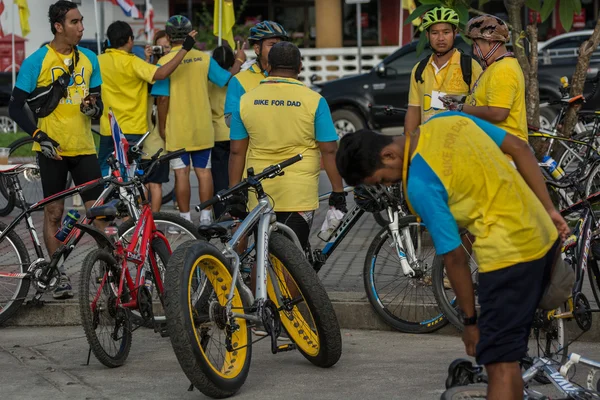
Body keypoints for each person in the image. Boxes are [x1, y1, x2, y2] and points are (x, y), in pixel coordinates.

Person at [334, 112, 570, 400]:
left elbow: (454, 257)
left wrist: (469, 322)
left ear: (388, 155)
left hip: (507, 258)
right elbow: (519, 148)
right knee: (510, 353)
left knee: (499, 366)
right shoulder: (449, 120)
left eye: (382, 180)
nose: (387, 186)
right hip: (544, 239)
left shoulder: (418, 184)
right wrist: (549, 209)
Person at [8, 0, 104, 299]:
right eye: (75, 22)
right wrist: (38, 134)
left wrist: (92, 107)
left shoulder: (89, 59)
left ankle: (107, 271)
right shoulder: (37, 60)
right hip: (52, 151)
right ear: (58, 26)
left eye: (82, 21)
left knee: (99, 213)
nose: (81, 27)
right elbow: (15, 106)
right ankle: (57, 273)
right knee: (53, 214)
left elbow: (97, 108)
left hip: (85, 148)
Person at [229, 42, 347, 251]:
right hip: (299, 194)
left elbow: (237, 151)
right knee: (293, 257)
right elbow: (329, 150)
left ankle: (259, 285)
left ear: (268, 66)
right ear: (300, 67)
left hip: (259, 192)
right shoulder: (315, 101)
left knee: (263, 252)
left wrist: (234, 191)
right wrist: (338, 191)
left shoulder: (246, 101)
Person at [151, 15, 246, 226]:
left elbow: (163, 99)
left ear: (168, 36)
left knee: (181, 174)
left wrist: (163, 128)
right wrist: (239, 60)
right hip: (203, 126)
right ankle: (205, 217)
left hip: (178, 127)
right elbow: (225, 79)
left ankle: (184, 220)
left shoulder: (165, 62)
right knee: (204, 173)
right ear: (189, 34)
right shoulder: (204, 59)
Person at [96, 21, 197, 178]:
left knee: (105, 174)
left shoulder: (98, 61)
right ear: (130, 39)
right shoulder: (133, 62)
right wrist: (185, 49)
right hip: (132, 129)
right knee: (128, 176)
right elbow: (162, 74)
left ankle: (106, 202)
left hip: (108, 128)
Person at [440, 15, 527, 143]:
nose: (475, 52)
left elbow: (498, 113)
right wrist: (459, 99)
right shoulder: (495, 66)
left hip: (503, 152)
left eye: (476, 46)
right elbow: (484, 102)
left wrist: (460, 108)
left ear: (491, 43)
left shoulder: (503, 69)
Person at [404, 7, 482, 134]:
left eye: (446, 32)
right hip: (429, 143)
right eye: (435, 33)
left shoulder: (470, 66)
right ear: (427, 35)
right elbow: (414, 110)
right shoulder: (419, 69)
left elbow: (482, 109)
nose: (441, 38)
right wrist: (408, 144)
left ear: (455, 32)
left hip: (461, 142)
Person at [224, 20, 288, 127]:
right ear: (257, 49)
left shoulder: (289, 75)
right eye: (272, 45)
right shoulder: (239, 80)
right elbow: (230, 120)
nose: (278, 49)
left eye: (281, 45)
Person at [141, 30, 173, 212]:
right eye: (159, 47)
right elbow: (142, 80)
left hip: (160, 139)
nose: (163, 51)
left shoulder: (170, 73)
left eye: (166, 47)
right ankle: (147, 222)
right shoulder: (149, 72)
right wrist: (147, 60)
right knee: (147, 184)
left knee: (153, 184)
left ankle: (151, 221)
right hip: (148, 137)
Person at [208, 45, 236, 219]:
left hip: (216, 133)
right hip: (234, 132)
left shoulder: (209, 81)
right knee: (235, 173)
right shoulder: (237, 80)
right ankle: (235, 210)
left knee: (218, 176)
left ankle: (220, 212)